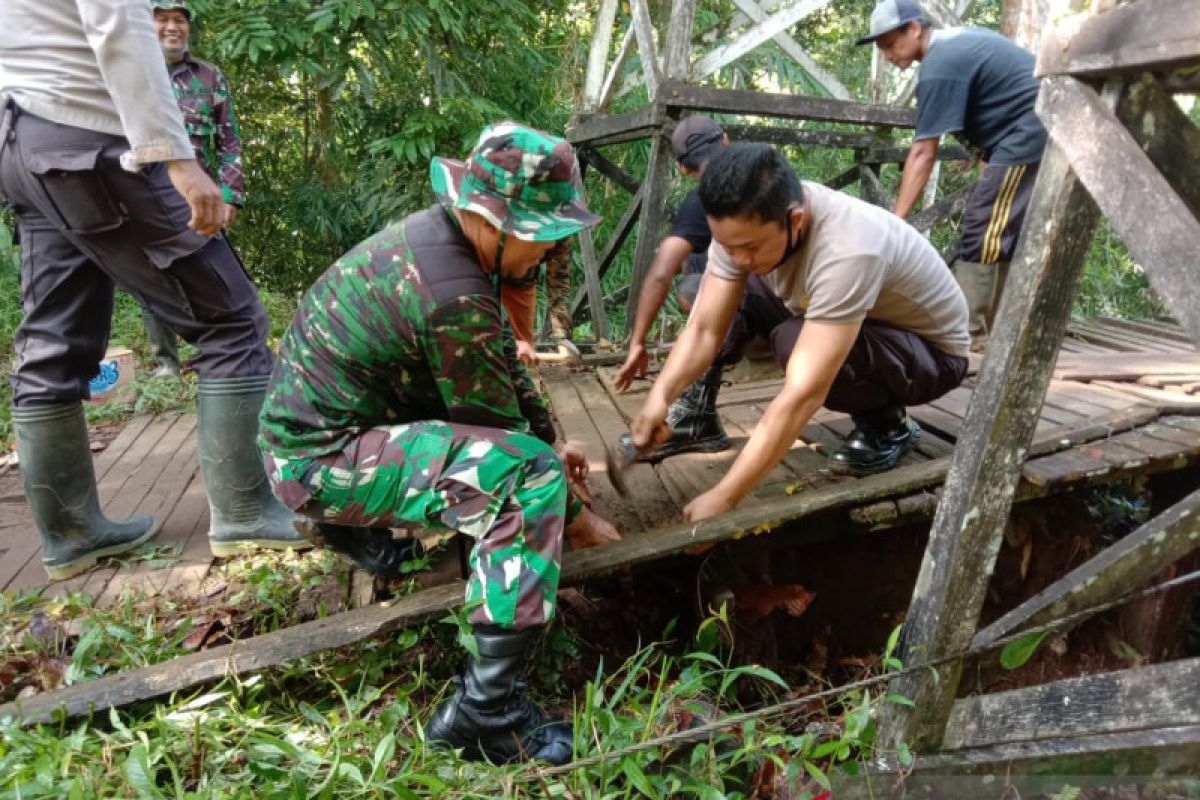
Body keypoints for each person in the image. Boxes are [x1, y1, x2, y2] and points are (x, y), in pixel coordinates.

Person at [258, 122, 621, 765]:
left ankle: (362, 529)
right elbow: (504, 444)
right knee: (525, 479)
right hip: (318, 462)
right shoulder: (452, 292)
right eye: (541, 238)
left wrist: (551, 438)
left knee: (533, 458)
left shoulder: (444, 245)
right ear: (492, 220)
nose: (547, 253)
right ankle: (487, 714)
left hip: (333, 431)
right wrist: (577, 515)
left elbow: (504, 374)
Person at [0, 0, 307, 581]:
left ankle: (71, 537)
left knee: (51, 342)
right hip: (88, 141)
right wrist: (178, 158)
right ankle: (245, 512)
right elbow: (118, 23)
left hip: (21, 140)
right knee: (231, 320)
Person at [628, 144, 970, 521]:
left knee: (795, 343)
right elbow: (707, 328)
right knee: (716, 293)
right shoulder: (747, 223)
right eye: (726, 246)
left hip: (931, 357)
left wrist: (726, 497)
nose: (737, 257)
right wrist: (660, 395)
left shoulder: (850, 248)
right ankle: (693, 417)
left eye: (749, 247)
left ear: (796, 220)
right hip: (864, 325)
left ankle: (888, 426)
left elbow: (804, 392)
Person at [857, 0, 1047, 351]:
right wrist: (981, 153)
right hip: (1022, 130)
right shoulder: (950, 48)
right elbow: (987, 100)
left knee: (983, 225)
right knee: (999, 230)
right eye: (881, 47)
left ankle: (968, 335)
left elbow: (922, 151)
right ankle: (992, 331)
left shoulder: (939, 62)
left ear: (914, 29)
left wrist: (896, 220)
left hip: (1031, 129)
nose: (886, 54)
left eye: (888, 43)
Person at [614, 115, 778, 461]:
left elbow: (662, 271)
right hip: (812, 305)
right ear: (726, 139)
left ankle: (694, 418)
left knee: (695, 288)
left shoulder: (705, 197)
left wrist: (637, 342)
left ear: (686, 170)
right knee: (698, 267)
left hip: (787, 315)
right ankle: (698, 414)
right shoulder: (771, 171)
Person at [142, 0, 247, 377]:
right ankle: (165, 365)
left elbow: (230, 139)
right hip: (147, 194)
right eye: (163, 20)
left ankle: (213, 354)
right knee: (154, 277)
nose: (172, 27)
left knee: (212, 273)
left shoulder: (209, 77)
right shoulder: (132, 74)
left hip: (200, 197)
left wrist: (231, 194)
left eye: (179, 21)